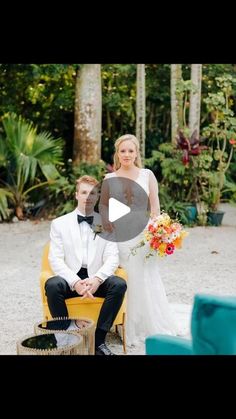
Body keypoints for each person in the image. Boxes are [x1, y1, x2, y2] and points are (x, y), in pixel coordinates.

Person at [99, 134, 180, 347]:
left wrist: (157, 231)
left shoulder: (147, 175)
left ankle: (150, 323)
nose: (127, 155)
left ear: (137, 153)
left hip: (145, 235)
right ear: (117, 153)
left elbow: (155, 207)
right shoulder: (109, 179)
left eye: (130, 151)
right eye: (123, 151)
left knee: (147, 276)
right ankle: (128, 324)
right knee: (130, 278)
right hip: (122, 238)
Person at [45, 175, 127, 355]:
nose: (87, 197)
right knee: (52, 285)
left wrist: (97, 279)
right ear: (76, 195)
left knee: (119, 284)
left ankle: (98, 342)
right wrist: (75, 282)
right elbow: (55, 259)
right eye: (84, 192)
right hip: (71, 278)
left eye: (92, 193)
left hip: (95, 277)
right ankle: (65, 338)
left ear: (97, 197)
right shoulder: (59, 224)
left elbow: (113, 257)